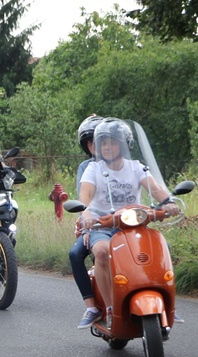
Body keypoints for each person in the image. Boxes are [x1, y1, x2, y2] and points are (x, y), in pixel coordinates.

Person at [79, 118, 180, 330]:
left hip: (135, 224)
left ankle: (166, 303)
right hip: (102, 226)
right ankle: (109, 309)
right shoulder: (93, 170)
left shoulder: (136, 168)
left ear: (124, 145)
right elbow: (84, 197)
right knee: (101, 251)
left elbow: (156, 189)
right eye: (103, 143)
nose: (107, 147)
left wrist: (168, 202)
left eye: (113, 143)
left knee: (163, 249)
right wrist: (85, 213)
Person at [71, 115, 104, 328]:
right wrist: (87, 221)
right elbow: (84, 199)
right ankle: (91, 306)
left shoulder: (128, 165)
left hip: (126, 222)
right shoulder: (87, 167)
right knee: (75, 254)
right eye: (90, 141)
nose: (95, 145)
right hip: (96, 223)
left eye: (100, 139)